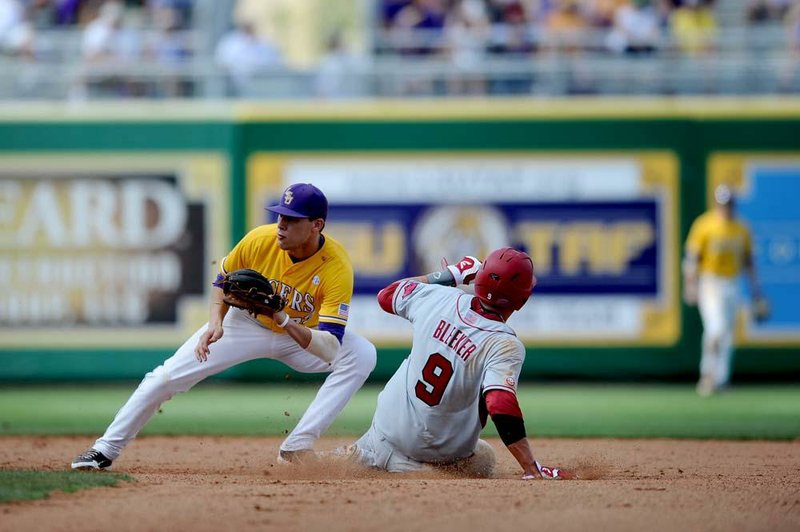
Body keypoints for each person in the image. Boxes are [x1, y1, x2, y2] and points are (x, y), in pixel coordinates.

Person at [71, 183, 377, 469]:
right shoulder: (261, 239)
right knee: (164, 377)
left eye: (292, 220)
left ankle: (297, 445)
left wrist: (283, 318)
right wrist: (216, 323)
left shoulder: (335, 266)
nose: (282, 225)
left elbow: (330, 347)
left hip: (299, 335)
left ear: (317, 225)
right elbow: (222, 281)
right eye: (281, 216)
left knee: (362, 354)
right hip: (245, 325)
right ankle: (105, 450)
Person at [340, 248, 570, 479]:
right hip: (439, 455)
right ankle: (415, 471)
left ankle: (365, 456)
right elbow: (500, 402)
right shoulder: (504, 344)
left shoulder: (438, 296)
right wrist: (530, 466)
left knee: (481, 454)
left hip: (384, 433)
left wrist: (450, 275)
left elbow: (386, 295)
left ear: (478, 277)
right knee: (484, 458)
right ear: (522, 298)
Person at [683, 184, 764, 397]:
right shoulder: (704, 225)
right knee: (716, 329)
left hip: (733, 282)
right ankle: (707, 375)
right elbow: (692, 260)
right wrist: (690, 285)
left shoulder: (742, 228)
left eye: (728, 204)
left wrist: (756, 291)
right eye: (722, 204)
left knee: (728, 334)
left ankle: (721, 379)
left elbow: (749, 262)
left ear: (733, 204)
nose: (725, 208)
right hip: (710, 282)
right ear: (716, 203)